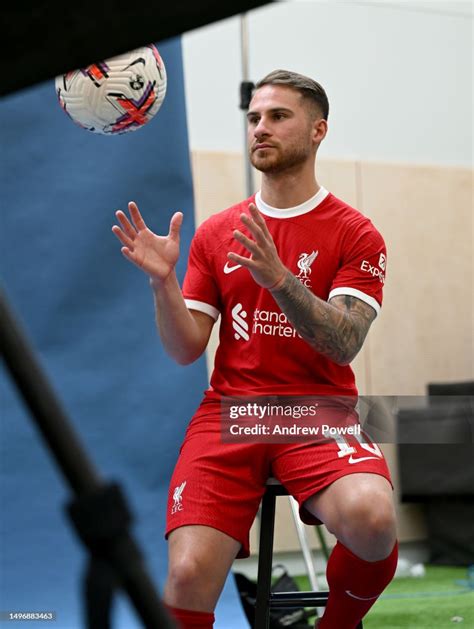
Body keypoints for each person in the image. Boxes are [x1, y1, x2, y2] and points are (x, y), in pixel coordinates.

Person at [112, 69, 398, 629]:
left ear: (318, 130)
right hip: (230, 414)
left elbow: (344, 344)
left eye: (277, 116)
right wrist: (161, 284)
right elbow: (185, 349)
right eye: (253, 119)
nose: (260, 128)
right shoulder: (219, 232)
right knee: (188, 576)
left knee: (372, 517)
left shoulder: (356, 233)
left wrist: (280, 280)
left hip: (317, 412)